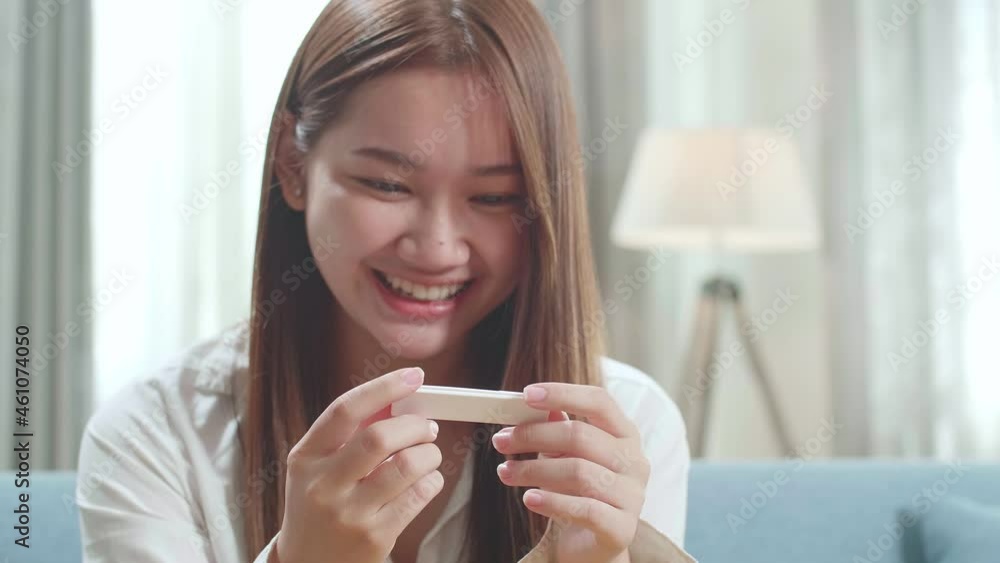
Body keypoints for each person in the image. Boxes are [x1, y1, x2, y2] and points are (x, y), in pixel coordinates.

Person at [75, 1, 694, 562]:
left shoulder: (623, 431)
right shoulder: (157, 436)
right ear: (293, 165)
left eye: (494, 197)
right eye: (387, 185)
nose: (436, 247)